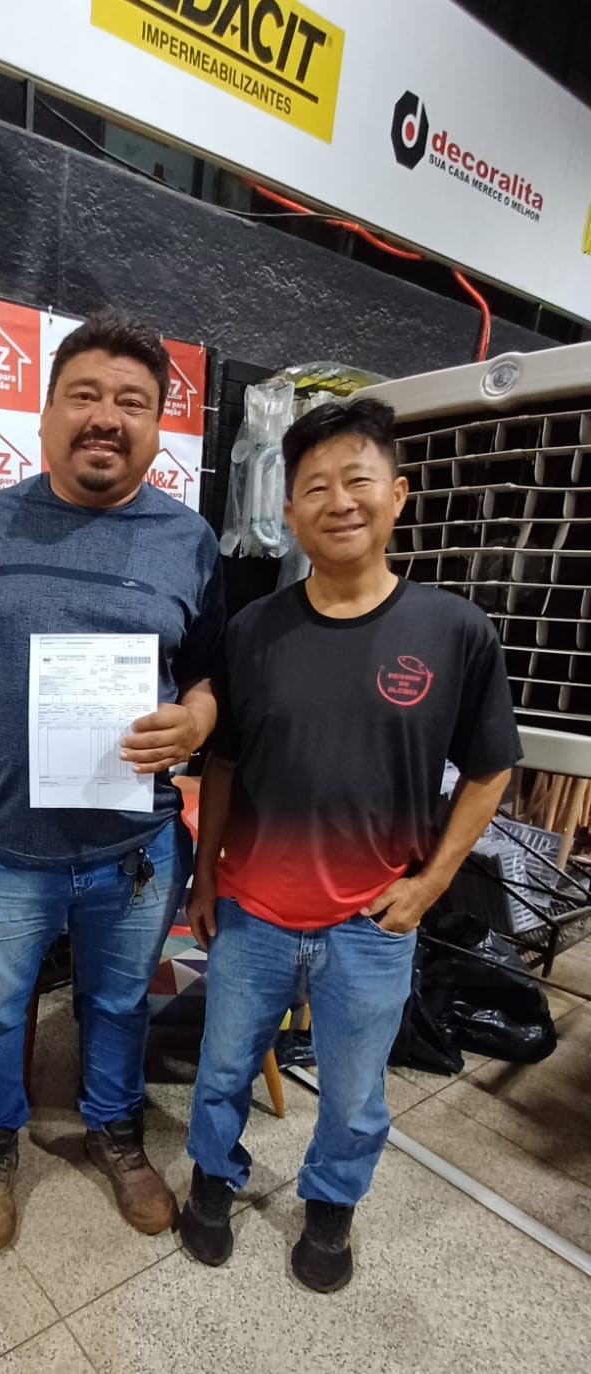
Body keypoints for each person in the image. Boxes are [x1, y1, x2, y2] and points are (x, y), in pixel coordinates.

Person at [180, 397, 521, 1292]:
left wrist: (429, 886)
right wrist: (206, 879)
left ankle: (331, 1206)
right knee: (221, 1068)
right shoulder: (254, 631)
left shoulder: (454, 631)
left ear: (397, 495)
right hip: (252, 910)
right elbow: (223, 763)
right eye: (315, 486)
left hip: (372, 921)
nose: (338, 501)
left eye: (357, 480)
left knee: (358, 1091)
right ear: (289, 510)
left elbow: (490, 771)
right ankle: (212, 1178)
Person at [0, 311, 225, 1251]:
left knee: (119, 1003)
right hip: (0, 845)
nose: (106, 416)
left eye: (133, 402)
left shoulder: (187, 538)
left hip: (132, 847)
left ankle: (115, 1132)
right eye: (84, 395)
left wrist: (198, 719)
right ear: (47, 413)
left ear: (158, 426)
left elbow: (209, 675)